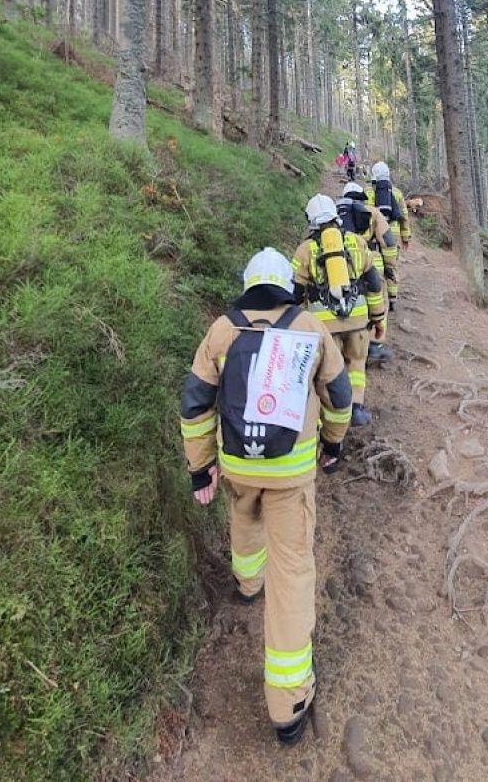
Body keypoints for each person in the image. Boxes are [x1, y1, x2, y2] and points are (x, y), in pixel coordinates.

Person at [179, 247, 352, 746]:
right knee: (293, 570)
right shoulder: (310, 328)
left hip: (238, 464)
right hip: (291, 471)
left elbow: (195, 404)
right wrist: (334, 442)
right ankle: (288, 700)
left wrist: (200, 468)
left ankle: (246, 583)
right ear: (286, 286)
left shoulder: (222, 330)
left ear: (249, 284)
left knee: (244, 516)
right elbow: (338, 395)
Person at [291, 194, 387, 426]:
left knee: (329, 368)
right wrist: (378, 317)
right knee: (356, 363)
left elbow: (295, 291)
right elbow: (374, 283)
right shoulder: (356, 242)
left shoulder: (305, 250)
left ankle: (331, 414)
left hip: (324, 325)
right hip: (357, 320)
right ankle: (356, 409)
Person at [338, 180, 397, 364]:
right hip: (372, 262)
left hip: (342, 265)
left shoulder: (334, 214)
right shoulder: (373, 213)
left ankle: (343, 342)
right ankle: (375, 343)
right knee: (379, 300)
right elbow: (388, 241)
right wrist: (390, 267)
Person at [365, 162, 412, 312]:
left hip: (373, 235)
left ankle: (376, 299)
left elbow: (364, 215)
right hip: (392, 236)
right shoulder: (397, 193)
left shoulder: (368, 192)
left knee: (374, 266)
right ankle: (392, 299)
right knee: (391, 267)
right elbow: (404, 216)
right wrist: (406, 237)